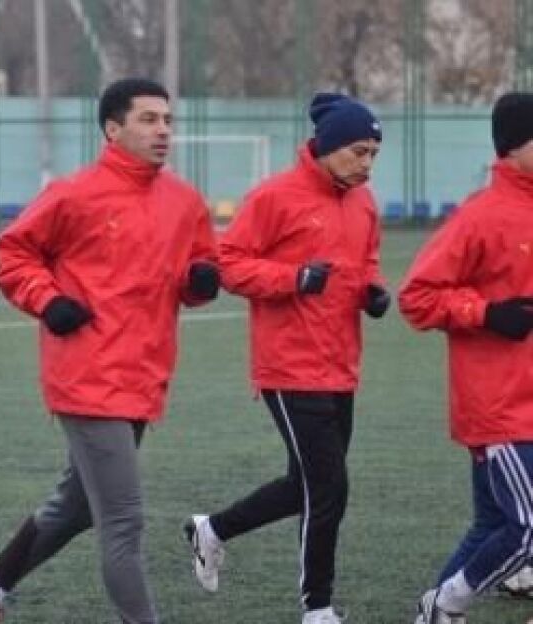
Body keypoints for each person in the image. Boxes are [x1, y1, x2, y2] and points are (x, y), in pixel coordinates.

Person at [0, 77, 219, 624]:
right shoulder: (73, 194)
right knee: (123, 521)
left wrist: (200, 281)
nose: (163, 130)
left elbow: (196, 275)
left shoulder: (185, 201)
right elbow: (12, 254)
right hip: (87, 374)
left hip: (143, 375)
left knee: (76, 506)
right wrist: (48, 300)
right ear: (112, 129)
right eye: (148, 119)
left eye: (167, 120)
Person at [185, 93, 387, 624]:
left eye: (374, 154)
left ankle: (213, 529)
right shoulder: (274, 196)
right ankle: (317, 608)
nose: (367, 163)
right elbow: (229, 265)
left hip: (340, 363)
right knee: (329, 488)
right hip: (289, 366)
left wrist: (372, 290)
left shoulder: (364, 202)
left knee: (308, 485)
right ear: (327, 145)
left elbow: (366, 261)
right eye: (359, 151)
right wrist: (293, 278)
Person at [399, 92, 533, 624]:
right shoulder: (480, 216)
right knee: (526, 529)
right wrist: (486, 312)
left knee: (492, 526)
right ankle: (444, 604)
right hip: (500, 407)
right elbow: (417, 297)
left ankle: (434, 616)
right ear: (516, 145)